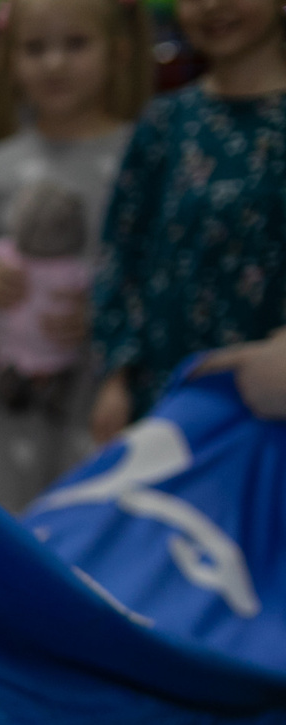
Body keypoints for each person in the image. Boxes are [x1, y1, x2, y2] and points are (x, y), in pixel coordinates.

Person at [0, 0, 151, 507]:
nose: (54, 63)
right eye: (35, 48)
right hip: (12, 429)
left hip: (113, 416)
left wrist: (109, 316)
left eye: (75, 45)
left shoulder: (142, 154)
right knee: (16, 552)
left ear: (118, 53)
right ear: (10, 61)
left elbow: (161, 280)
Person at [90, 0, 286, 440]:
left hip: (273, 412)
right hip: (169, 403)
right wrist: (116, 378)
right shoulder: (165, 123)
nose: (213, 5)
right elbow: (121, 255)